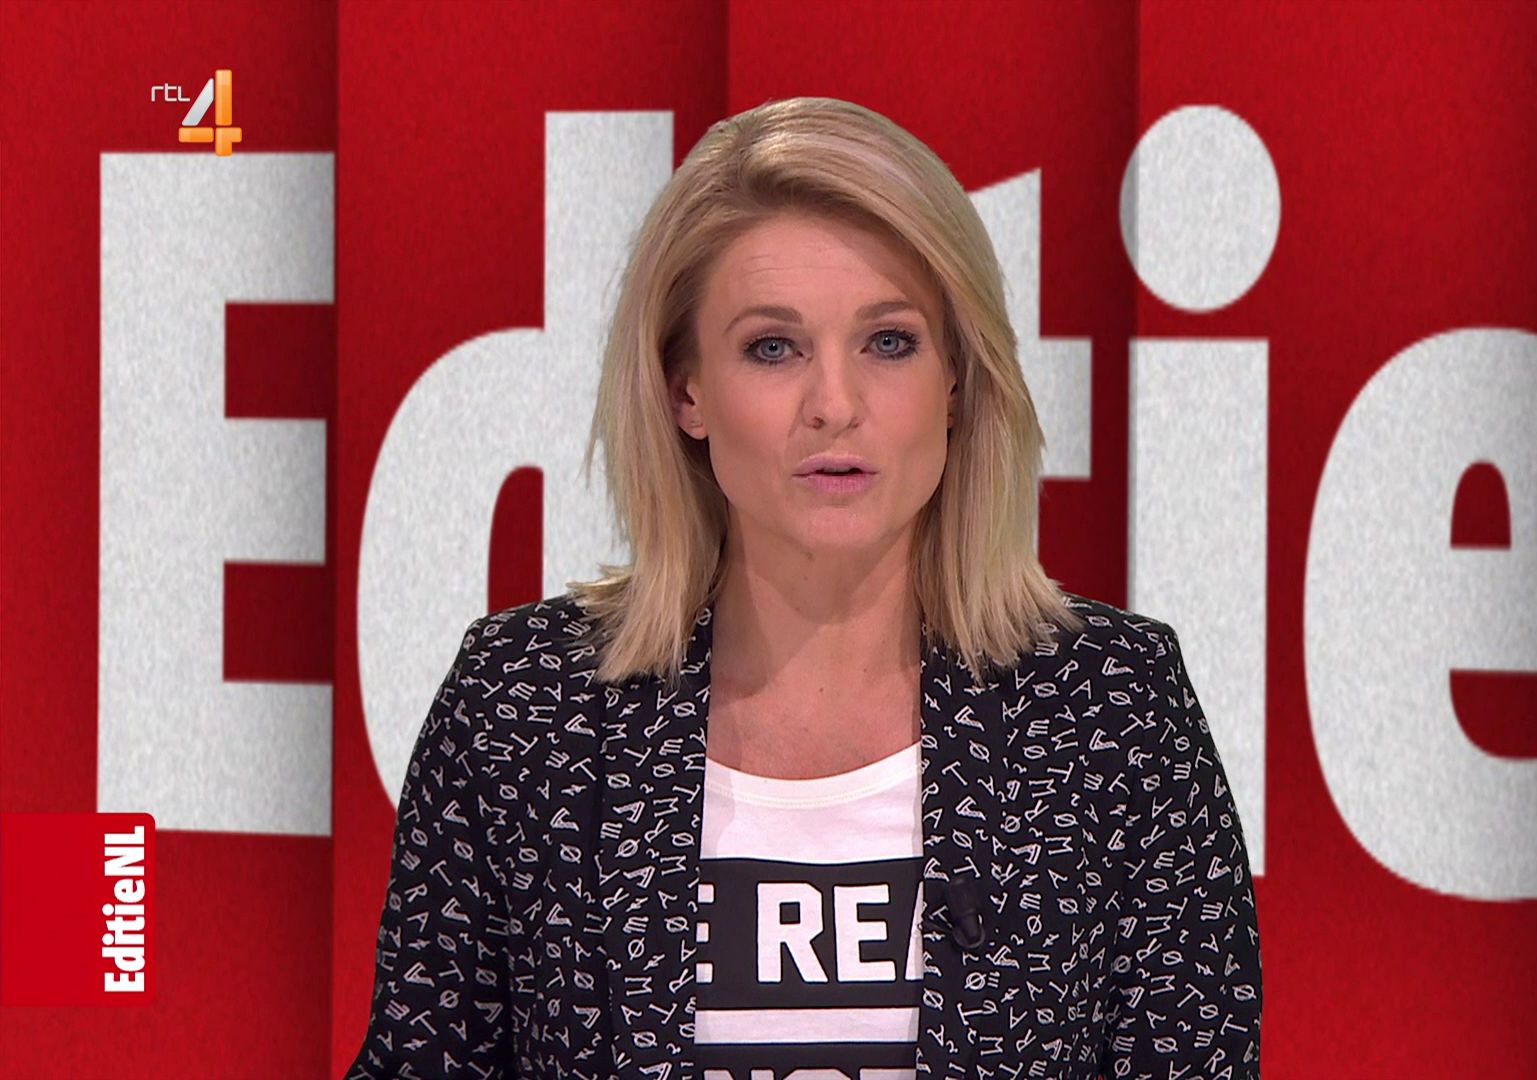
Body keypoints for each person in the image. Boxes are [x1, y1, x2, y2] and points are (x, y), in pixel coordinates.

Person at [345, 95, 1261, 1079]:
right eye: (773, 348)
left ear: (957, 380)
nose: (835, 404)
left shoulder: (1111, 706)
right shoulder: (522, 707)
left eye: (889, 342)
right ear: (686, 390)